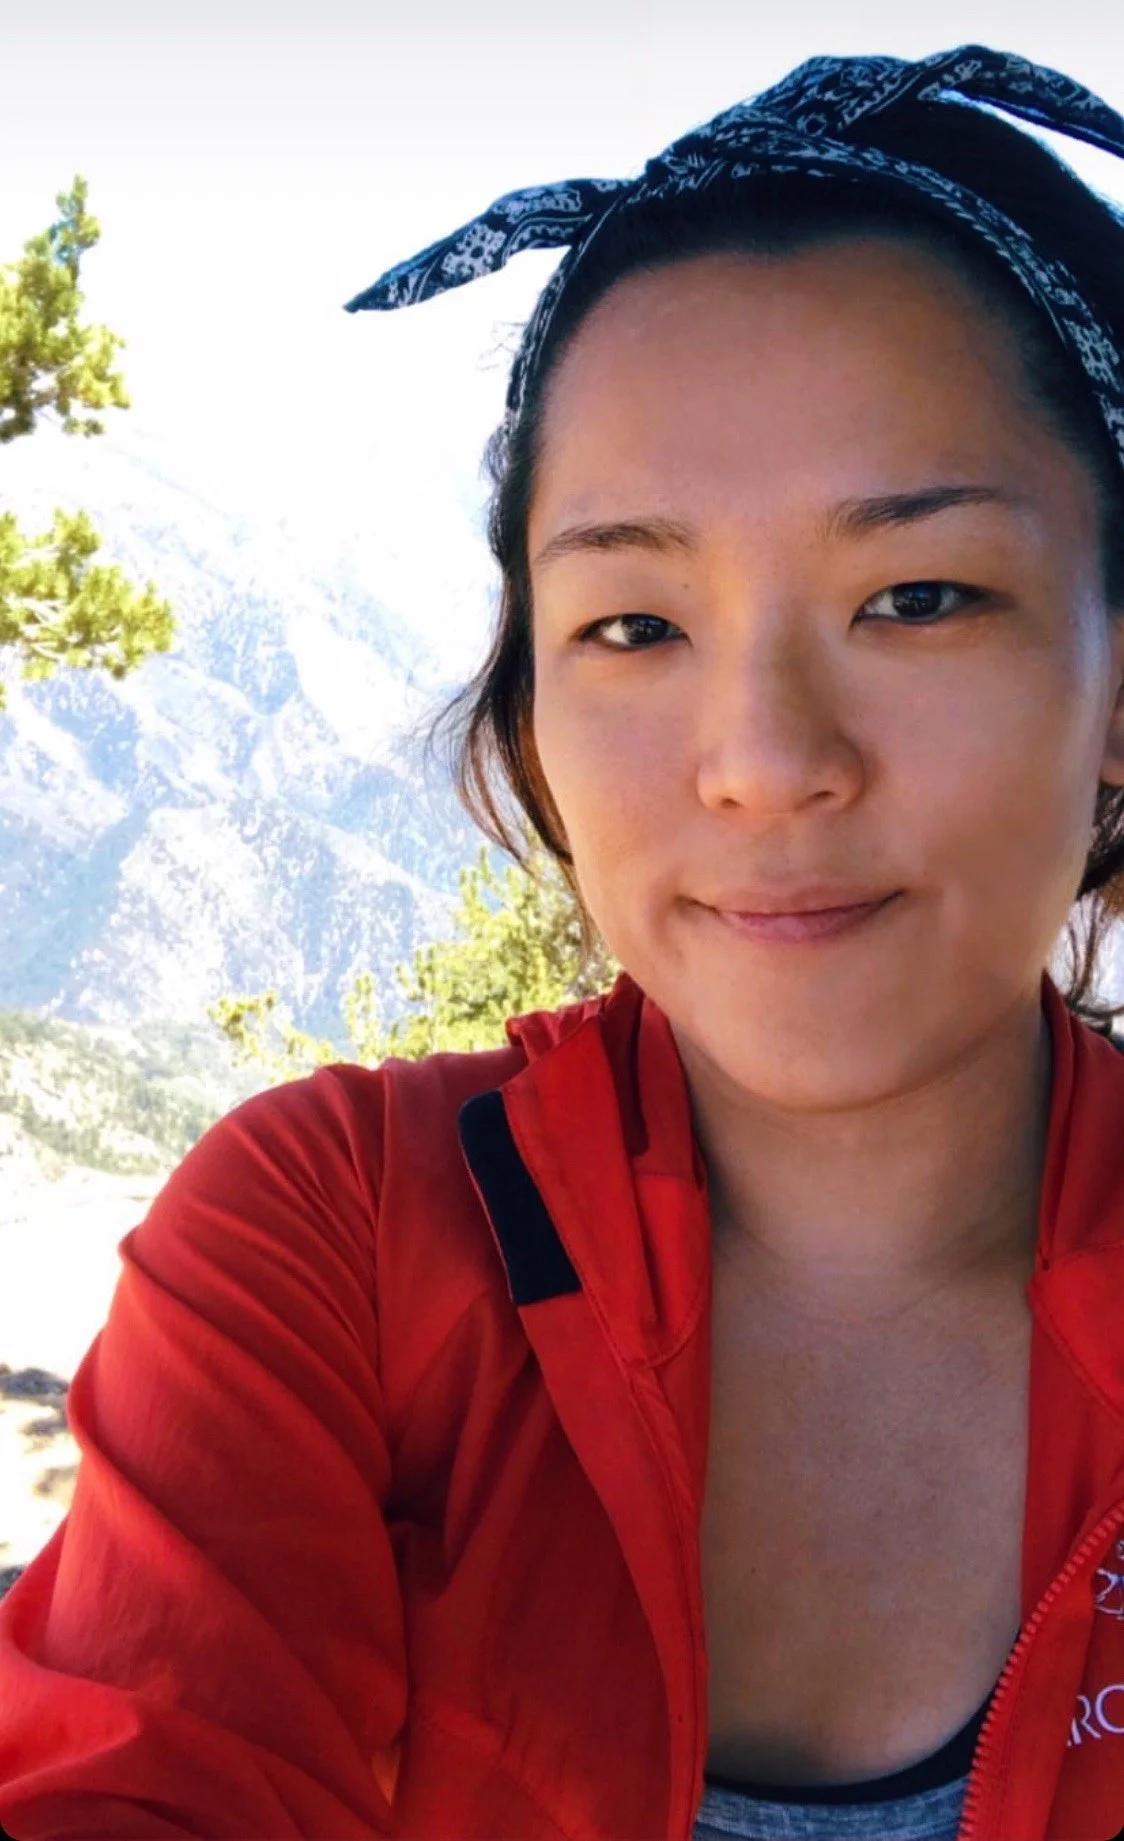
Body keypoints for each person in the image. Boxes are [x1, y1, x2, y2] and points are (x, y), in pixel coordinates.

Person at [2, 41, 1124, 1841]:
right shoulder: (337, 1250)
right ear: (530, 711)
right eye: (631, 624)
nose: (766, 763)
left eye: (919, 596)